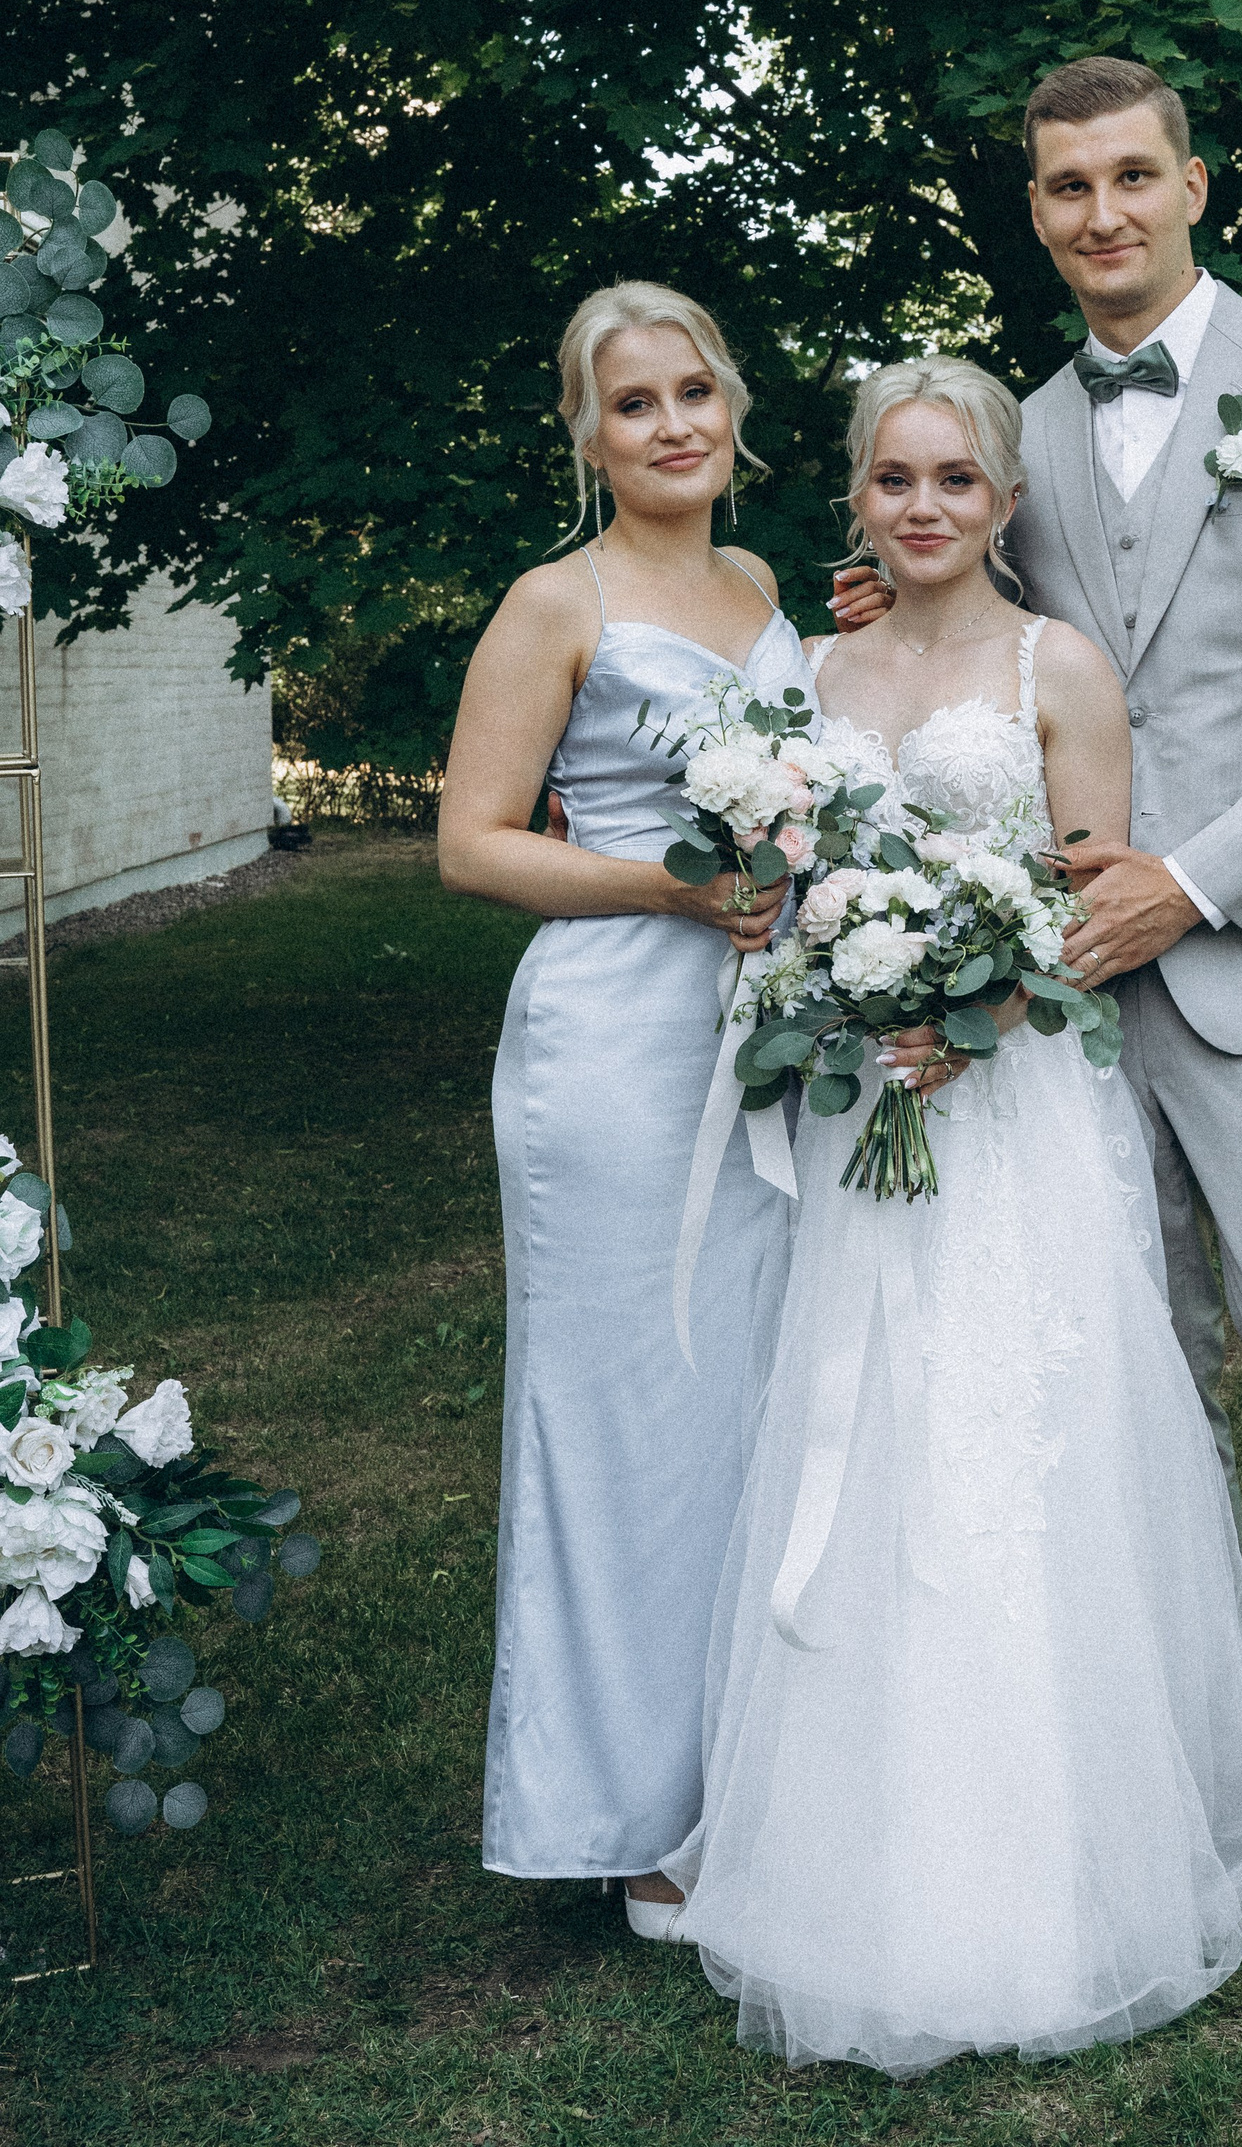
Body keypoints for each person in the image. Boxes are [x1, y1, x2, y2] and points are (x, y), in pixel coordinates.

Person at [833, 56, 1242, 1954]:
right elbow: (990, 643)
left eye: (1129, 176)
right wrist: (894, 605)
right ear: (1035, 212)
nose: (1099, 213)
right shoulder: (1008, 432)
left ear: (1193, 182)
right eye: (1064, 187)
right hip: (1059, 1010)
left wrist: (1191, 876)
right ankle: (1162, 1748)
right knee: (1122, 1381)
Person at [662, 358, 1242, 2073]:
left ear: (1007, 501)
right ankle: (853, 1849)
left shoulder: (1056, 667)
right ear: (857, 497)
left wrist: (977, 1009)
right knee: (869, 1436)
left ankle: (1063, 1861)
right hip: (867, 1112)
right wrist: (831, 981)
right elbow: (781, 876)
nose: (924, 506)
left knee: (1022, 1449)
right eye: (895, 478)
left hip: (1015, 1122)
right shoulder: (810, 674)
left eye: (956, 479)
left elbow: (1092, 910)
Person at [438, 281, 807, 1931]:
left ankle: (737, 1772)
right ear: (585, 435)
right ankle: (627, 1816)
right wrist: (667, 886)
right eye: (633, 401)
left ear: (733, 408)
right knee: (619, 1418)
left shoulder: (765, 584)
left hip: (760, 1037)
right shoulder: (553, 600)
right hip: (609, 1046)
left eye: (693, 391)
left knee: (742, 1407)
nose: (671, 424)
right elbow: (471, 843)